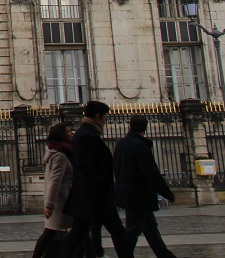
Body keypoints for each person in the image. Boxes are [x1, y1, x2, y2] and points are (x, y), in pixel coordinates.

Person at [59, 101, 132, 258]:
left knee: (79, 235)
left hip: (92, 196)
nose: (106, 120)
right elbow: (83, 164)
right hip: (94, 196)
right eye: (105, 116)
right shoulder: (86, 135)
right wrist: (99, 181)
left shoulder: (87, 133)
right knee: (116, 233)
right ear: (98, 116)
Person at [114, 115, 177, 258]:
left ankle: (165, 256)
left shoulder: (120, 144)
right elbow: (151, 173)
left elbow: (116, 168)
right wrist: (168, 193)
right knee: (133, 230)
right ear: (146, 128)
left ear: (129, 126)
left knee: (150, 228)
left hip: (127, 192)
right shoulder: (140, 146)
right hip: (139, 195)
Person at [31, 123, 74, 258]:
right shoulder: (60, 155)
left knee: (52, 233)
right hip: (61, 202)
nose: (72, 133)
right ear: (61, 136)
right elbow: (54, 182)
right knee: (50, 233)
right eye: (68, 131)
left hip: (63, 201)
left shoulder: (60, 152)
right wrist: (49, 205)